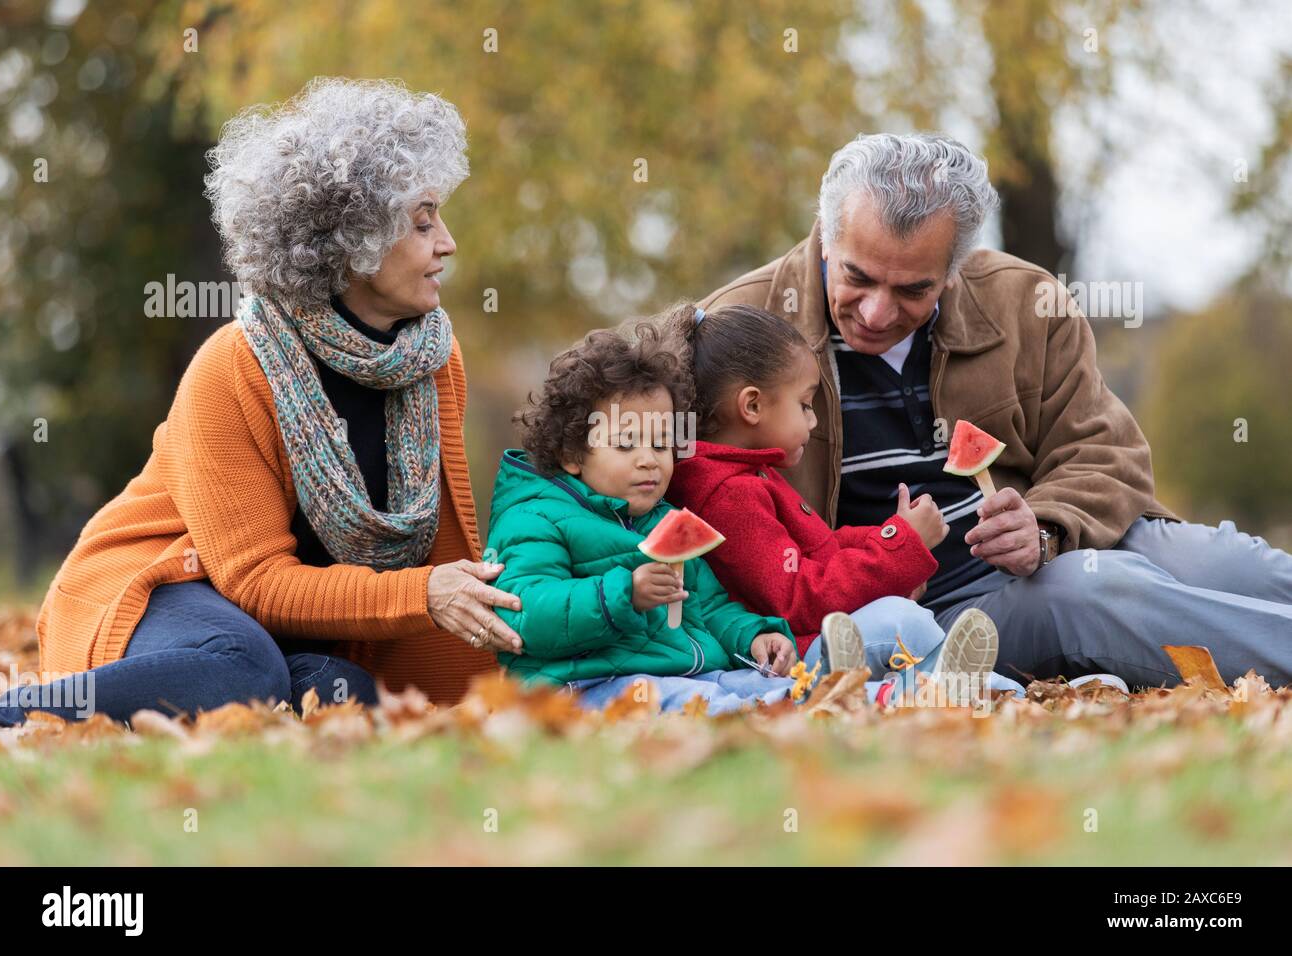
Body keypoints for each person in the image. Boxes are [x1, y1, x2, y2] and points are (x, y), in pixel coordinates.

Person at [0, 78, 517, 728]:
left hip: (277, 632)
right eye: (422, 221)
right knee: (243, 668)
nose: (448, 241)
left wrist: (476, 706)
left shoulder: (434, 361)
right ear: (352, 242)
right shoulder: (236, 363)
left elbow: (436, 551)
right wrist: (423, 595)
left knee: (346, 689)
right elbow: (258, 580)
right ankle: (12, 715)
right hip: (159, 586)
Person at [697, 131, 1292, 690]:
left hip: (1067, 544)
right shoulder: (734, 330)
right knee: (1104, 592)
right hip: (932, 614)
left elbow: (1108, 456)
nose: (877, 313)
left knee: (1235, 565)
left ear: (955, 271)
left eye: (912, 290)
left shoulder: (1026, 302)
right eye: (858, 277)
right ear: (825, 235)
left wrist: (1045, 526)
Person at [486, 322, 1001, 715]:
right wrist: (623, 592)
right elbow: (523, 614)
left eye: (663, 443)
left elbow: (710, 607)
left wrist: (753, 636)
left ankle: (918, 693)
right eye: (627, 444)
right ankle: (864, 702)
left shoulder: (659, 516)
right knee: (726, 709)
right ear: (573, 452)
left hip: (693, 673)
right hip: (585, 691)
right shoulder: (535, 516)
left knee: (765, 688)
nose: (650, 460)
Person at [661, 300, 1027, 703]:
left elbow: (821, 547)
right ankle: (998, 693)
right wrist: (898, 546)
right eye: (804, 405)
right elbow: (797, 600)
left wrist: (894, 536)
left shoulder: (746, 476)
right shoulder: (730, 494)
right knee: (901, 622)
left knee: (901, 623)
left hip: (815, 638)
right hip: (797, 651)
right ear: (751, 406)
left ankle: (975, 690)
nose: (813, 421)